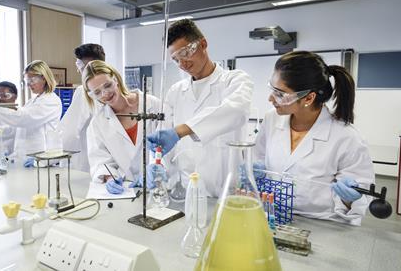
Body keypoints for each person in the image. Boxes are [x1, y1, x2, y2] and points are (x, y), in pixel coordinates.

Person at [254, 51, 374, 225]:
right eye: (272, 89)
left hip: (322, 225)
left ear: (308, 98)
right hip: (273, 216)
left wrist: (350, 198)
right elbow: (258, 158)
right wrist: (255, 171)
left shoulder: (346, 137)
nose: (270, 98)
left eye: (280, 94)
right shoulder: (271, 119)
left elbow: (359, 199)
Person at [146, 19, 254, 197]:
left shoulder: (235, 80)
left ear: (203, 44)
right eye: (176, 59)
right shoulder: (175, 92)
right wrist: (157, 166)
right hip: (186, 192)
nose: (183, 64)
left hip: (225, 193)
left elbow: (236, 111)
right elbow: (163, 141)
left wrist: (181, 130)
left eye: (186, 53)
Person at [84, 60, 162, 194]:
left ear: (116, 79)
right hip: (126, 189)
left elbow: (167, 144)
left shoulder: (152, 104)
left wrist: (157, 168)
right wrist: (110, 178)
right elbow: (100, 160)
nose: (105, 94)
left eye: (107, 85)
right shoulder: (98, 123)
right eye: (97, 93)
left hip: (158, 186)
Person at [0, 61, 62, 167]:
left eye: (32, 80)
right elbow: (18, 127)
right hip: (26, 159)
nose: (28, 84)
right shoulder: (32, 101)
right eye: (26, 80)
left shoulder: (51, 101)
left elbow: (23, 119)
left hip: (40, 160)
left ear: (44, 78)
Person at [58, 44, 106, 172]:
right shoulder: (108, 89)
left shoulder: (83, 91)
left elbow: (70, 133)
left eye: (80, 66)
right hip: (103, 164)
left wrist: (53, 157)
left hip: (83, 165)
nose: (78, 71)